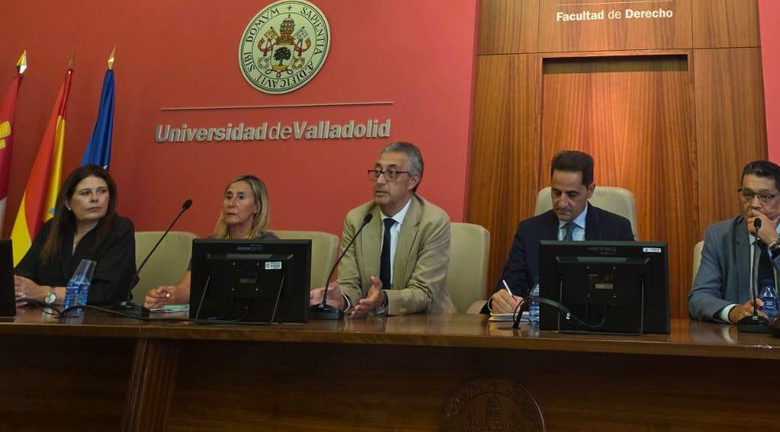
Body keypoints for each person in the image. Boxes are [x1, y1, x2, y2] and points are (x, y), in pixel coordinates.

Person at [308, 141, 454, 317]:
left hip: (427, 325)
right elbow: (350, 283)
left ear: (413, 180)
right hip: (369, 327)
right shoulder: (357, 219)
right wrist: (342, 300)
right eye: (377, 172)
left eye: (391, 173)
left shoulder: (433, 221)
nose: (380, 181)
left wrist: (384, 299)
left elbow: (424, 292)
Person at [486, 150, 634, 314]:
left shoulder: (617, 229)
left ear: (590, 190)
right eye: (556, 193)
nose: (562, 203)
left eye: (572, 195)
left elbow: (629, 291)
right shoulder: (528, 231)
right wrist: (501, 300)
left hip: (597, 326)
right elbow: (511, 285)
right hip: (539, 328)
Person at [689, 160, 780, 323]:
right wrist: (734, 311)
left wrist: (776, 244)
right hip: (738, 338)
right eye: (748, 195)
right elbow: (698, 298)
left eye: (765, 197)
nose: (754, 205)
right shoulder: (719, 236)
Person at [143, 174, 276, 308]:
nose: (231, 203)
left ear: (256, 207)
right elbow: (188, 289)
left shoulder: (271, 244)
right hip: (215, 318)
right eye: (228, 197)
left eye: (241, 197)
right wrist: (171, 295)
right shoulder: (209, 245)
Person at [14, 164, 136, 307]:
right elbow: (24, 274)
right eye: (85, 193)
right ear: (68, 202)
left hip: (98, 320)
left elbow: (108, 293)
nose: (95, 198)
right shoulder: (52, 228)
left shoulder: (120, 230)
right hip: (45, 318)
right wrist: (18, 289)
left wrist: (43, 293)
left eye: (102, 191)